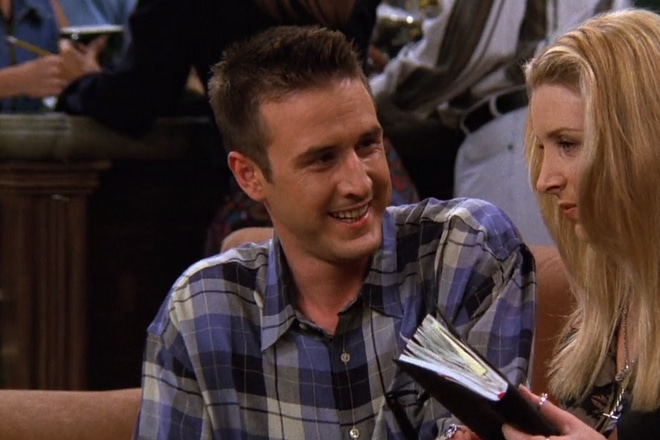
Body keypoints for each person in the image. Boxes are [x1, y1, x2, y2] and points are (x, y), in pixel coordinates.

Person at [133, 25, 536, 440]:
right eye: (323, 159)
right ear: (249, 175)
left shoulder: (466, 251)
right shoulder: (200, 312)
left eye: (367, 145)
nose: (359, 183)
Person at [502, 8, 660, 440]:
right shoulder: (605, 307)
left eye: (568, 144)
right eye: (542, 148)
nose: (544, 180)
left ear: (641, 143)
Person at [371, 0, 631, 247]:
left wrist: (368, 99)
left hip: (520, 134)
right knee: (581, 271)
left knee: (519, 272)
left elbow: (458, 53)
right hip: (595, 122)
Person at [0, 0, 102, 112]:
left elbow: (68, 57)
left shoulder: (46, 5)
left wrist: (86, 75)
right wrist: (13, 81)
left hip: (38, 120)